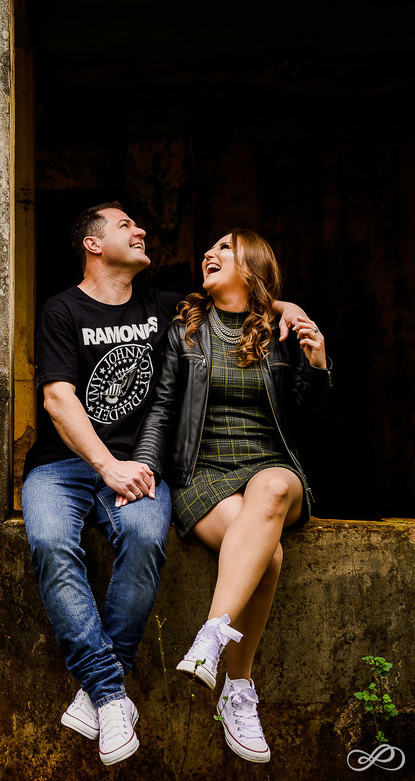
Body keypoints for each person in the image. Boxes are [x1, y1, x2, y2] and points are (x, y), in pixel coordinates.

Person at [22, 205, 308, 767]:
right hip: (64, 465)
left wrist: (286, 307)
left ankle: (104, 694)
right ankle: (110, 693)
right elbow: (57, 399)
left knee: (146, 539)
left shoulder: (165, 309)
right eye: (125, 225)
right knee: (52, 543)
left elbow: (238, 297)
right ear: (93, 244)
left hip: (141, 466)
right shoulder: (61, 309)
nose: (140, 231)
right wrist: (108, 465)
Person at [131, 228, 329, 764]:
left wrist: (316, 365)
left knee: (271, 489)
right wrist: (143, 469)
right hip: (204, 473)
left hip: (272, 467)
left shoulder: (280, 331)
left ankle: (210, 638)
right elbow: (162, 407)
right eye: (210, 248)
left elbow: (306, 421)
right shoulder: (185, 331)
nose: (209, 253)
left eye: (224, 247)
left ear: (251, 266)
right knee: (269, 556)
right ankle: (238, 689)